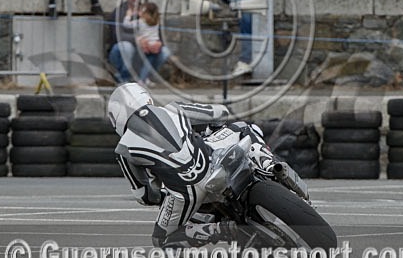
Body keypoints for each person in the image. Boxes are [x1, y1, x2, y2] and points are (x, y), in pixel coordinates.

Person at [107, 83, 306, 248]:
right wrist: (209, 129)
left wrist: (162, 195)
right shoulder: (173, 109)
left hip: (186, 196)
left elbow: (145, 196)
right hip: (212, 163)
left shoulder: (123, 149)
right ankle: (272, 167)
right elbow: (219, 112)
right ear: (144, 96)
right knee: (244, 128)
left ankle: (222, 229)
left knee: (161, 240)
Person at [213, 0, 253, 76]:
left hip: (241, 4)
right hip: (253, 1)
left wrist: (226, 0)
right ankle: (252, 62)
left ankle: (245, 62)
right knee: (254, 33)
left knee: (246, 33)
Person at [106, 0, 142, 83]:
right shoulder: (119, 11)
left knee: (164, 52)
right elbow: (118, 36)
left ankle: (143, 77)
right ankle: (124, 79)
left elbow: (155, 30)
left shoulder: (146, 10)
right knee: (127, 47)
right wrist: (138, 39)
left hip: (140, 50)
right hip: (119, 52)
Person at [135, 2, 171, 85]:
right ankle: (145, 78)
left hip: (149, 45)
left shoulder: (140, 21)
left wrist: (128, 16)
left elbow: (127, 24)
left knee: (148, 62)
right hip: (152, 45)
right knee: (149, 61)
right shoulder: (156, 22)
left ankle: (142, 79)